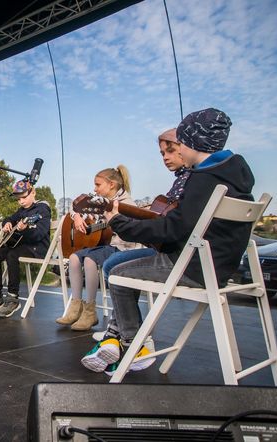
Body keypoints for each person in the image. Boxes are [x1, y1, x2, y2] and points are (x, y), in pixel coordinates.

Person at [81, 108, 254, 374]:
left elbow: (171, 230)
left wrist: (117, 222)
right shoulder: (233, 175)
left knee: (116, 273)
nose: (179, 149)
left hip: (191, 267)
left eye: (181, 143)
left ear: (194, 142)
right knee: (120, 268)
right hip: (219, 267)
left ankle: (133, 343)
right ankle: (120, 338)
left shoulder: (203, 179)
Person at [55, 165, 141, 331]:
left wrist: (115, 222)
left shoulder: (126, 204)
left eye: (98, 185)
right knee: (73, 258)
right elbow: (76, 205)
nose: (95, 189)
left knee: (89, 260)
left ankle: (90, 310)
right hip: (107, 245)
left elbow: (129, 235)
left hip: (123, 248)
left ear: (111, 185)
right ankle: (75, 306)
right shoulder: (101, 201)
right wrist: (78, 217)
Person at [100, 128, 191, 284]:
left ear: (185, 148)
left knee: (112, 266)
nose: (166, 158)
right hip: (186, 253)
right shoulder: (185, 181)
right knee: (112, 262)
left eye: (170, 151)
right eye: (162, 154)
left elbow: (168, 225)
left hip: (180, 256)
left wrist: (118, 221)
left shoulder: (188, 182)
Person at [0, 180, 51, 318]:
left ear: (33, 192)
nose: (21, 201)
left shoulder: (42, 210)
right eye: (19, 199)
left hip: (37, 248)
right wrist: (7, 222)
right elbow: (9, 218)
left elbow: (39, 234)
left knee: (12, 255)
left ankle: (13, 298)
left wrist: (26, 230)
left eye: (24, 197)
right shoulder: (21, 211)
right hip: (21, 246)